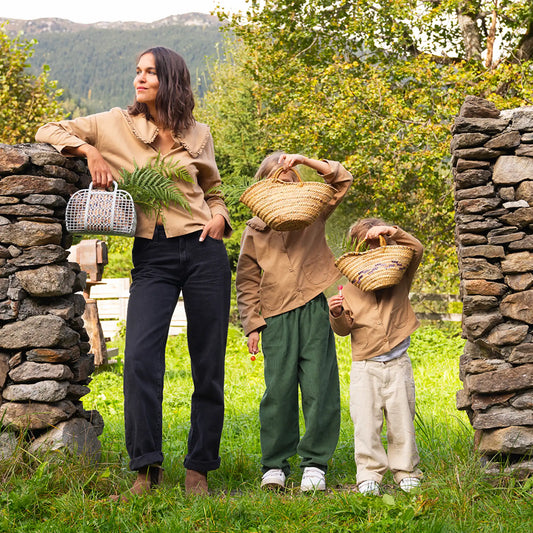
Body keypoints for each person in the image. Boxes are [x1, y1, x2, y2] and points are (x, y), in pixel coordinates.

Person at [36, 47, 232, 498]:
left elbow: (212, 189)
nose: (139, 79)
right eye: (137, 72)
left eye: (150, 73)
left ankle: (199, 469)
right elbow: (48, 128)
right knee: (141, 361)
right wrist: (89, 151)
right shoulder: (113, 124)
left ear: (171, 80)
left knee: (208, 364)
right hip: (154, 255)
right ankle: (145, 470)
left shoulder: (198, 133)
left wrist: (219, 215)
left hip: (205, 253)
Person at [236, 152, 353, 492]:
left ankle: (315, 463)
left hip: (314, 309)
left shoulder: (313, 213)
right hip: (274, 317)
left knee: (320, 387)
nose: (285, 189)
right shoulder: (254, 231)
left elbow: (342, 180)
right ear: (264, 187)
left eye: (290, 182)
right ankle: (274, 465)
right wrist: (252, 324)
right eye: (277, 182)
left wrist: (303, 160)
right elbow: (246, 281)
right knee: (279, 391)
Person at [327, 219, 424, 495]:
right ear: (357, 251)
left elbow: (416, 249)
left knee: (401, 419)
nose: (374, 251)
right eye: (367, 246)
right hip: (365, 366)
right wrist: (336, 313)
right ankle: (369, 473)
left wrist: (392, 231)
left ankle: (406, 470)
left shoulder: (402, 273)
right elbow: (344, 330)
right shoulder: (349, 287)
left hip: (398, 362)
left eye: (380, 245)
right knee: (366, 423)